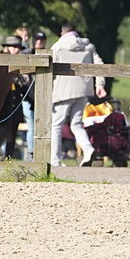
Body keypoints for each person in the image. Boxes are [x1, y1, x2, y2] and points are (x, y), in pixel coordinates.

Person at [50, 23, 107, 167]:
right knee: (76, 124)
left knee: (56, 125)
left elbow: (49, 68)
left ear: (62, 33)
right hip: (83, 91)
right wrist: (100, 85)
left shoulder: (57, 47)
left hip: (62, 90)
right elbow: (99, 65)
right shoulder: (88, 46)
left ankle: (55, 160)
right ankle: (88, 150)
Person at [1, 35, 34, 159]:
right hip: (2, 101)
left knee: (13, 131)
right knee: (2, 130)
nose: (14, 49)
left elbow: (25, 82)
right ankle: (1, 156)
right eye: (12, 46)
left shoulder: (22, 61)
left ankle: (7, 157)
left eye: (17, 47)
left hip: (17, 101)